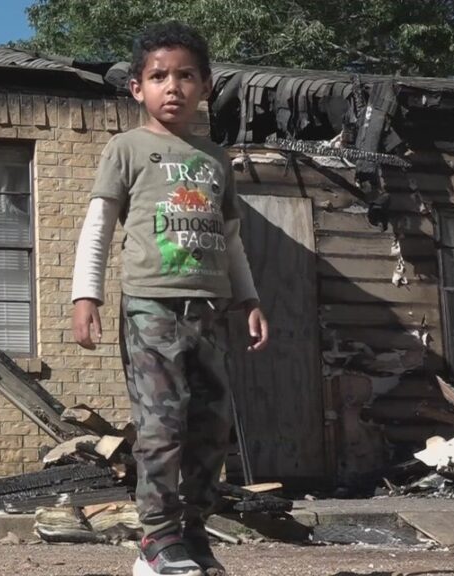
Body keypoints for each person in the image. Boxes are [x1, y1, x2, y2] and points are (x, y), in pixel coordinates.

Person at [70, 21, 270, 576]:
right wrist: (85, 294)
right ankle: (155, 539)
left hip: (209, 312)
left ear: (205, 85)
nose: (172, 87)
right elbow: (98, 225)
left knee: (210, 428)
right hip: (150, 308)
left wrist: (249, 299)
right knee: (160, 429)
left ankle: (194, 535)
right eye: (158, 76)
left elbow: (230, 239)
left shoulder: (215, 159)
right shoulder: (126, 148)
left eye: (185, 76)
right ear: (138, 88)